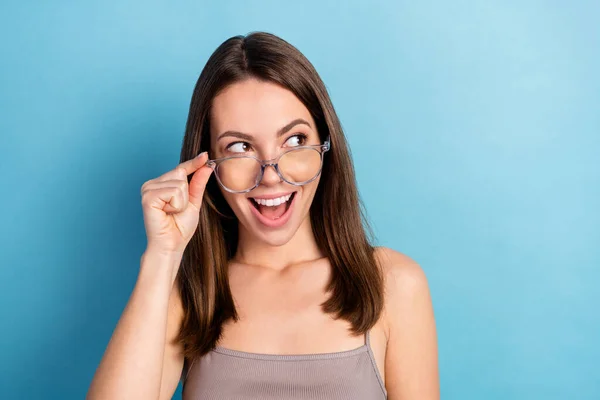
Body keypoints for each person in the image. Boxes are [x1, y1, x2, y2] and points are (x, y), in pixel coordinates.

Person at [87, 31, 439, 400]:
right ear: (207, 164)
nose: (270, 175)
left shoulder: (394, 284)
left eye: (295, 140)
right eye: (240, 147)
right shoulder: (189, 291)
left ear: (326, 146)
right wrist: (162, 256)